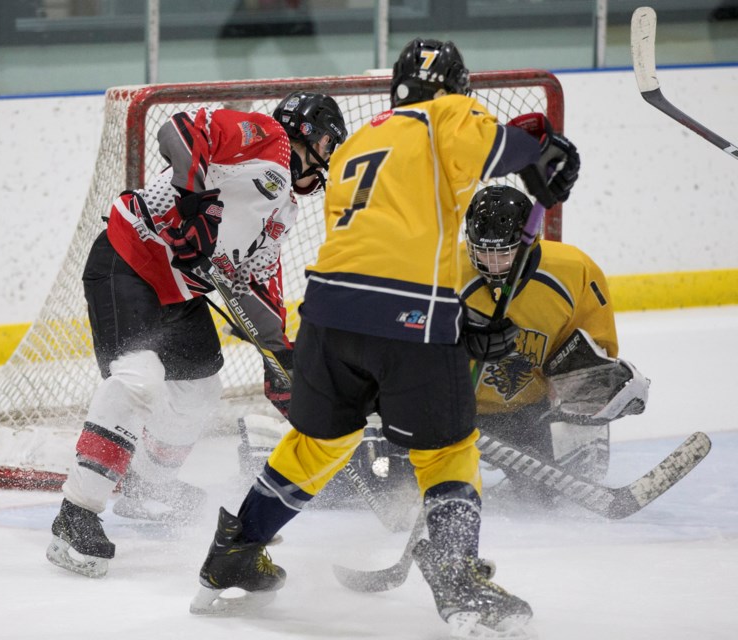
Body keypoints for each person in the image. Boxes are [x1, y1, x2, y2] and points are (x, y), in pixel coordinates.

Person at [191, 37, 580, 639]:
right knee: (448, 451)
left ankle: (233, 554)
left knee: (319, 443)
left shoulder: (360, 142)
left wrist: (457, 318)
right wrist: (546, 152)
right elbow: (505, 147)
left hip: (327, 314)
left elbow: (388, 239)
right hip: (409, 319)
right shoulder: (449, 112)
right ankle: (458, 579)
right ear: (454, 86)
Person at [45, 91, 347, 578]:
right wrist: (194, 201)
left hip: (179, 291)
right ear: (307, 131)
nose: (328, 160)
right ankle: (75, 515)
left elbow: (256, 286)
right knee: (137, 379)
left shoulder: (285, 210)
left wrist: (283, 360)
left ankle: (147, 488)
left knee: (199, 390)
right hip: (129, 260)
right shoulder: (267, 139)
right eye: (330, 143)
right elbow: (180, 130)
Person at [460, 184, 649, 502]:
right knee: (391, 488)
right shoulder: (441, 272)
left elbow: (594, 348)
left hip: (529, 413)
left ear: (529, 243)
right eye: (483, 253)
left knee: (543, 499)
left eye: (504, 254)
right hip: (455, 412)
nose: (493, 266)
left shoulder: (573, 271)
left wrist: (596, 387)